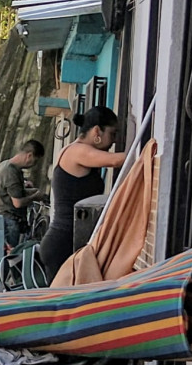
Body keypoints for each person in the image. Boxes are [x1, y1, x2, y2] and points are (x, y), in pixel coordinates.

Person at [38, 106, 126, 279]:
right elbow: (117, 161)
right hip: (63, 243)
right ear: (97, 131)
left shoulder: (72, 150)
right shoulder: (77, 151)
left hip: (69, 240)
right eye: (112, 133)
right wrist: (148, 148)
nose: (114, 141)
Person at [0, 139, 48, 248]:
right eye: (35, 161)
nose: (34, 165)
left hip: (4, 219)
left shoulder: (4, 165)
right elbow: (17, 202)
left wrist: (31, 191)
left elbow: (13, 193)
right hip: (10, 222)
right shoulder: (10, 172)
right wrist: (35, 197)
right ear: (29, 156)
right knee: (11, 255)